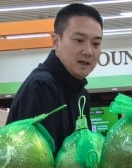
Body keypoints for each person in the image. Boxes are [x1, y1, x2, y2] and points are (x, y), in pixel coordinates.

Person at [6, 3, 103, 154]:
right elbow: (32, 162)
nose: (89, 51)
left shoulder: (81, 94)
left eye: (96, 43)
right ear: (56, 42)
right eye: (79, 40)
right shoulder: (41, 86)